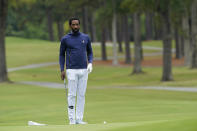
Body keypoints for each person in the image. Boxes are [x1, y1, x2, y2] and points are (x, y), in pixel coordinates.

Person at [59, 17, 93, 125]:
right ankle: (72, 119)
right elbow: (61, 55)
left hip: (83, 70)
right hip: (71, 70)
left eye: (77, 24)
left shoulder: (85, 37)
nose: (75, 27)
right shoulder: (65, 39)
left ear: (79, 25)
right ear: (70, 26)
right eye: (73, 25)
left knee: (81, 95)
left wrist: (90, 63)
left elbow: (90, 52)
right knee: (72, 95)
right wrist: (62, 69)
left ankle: (79, 119)